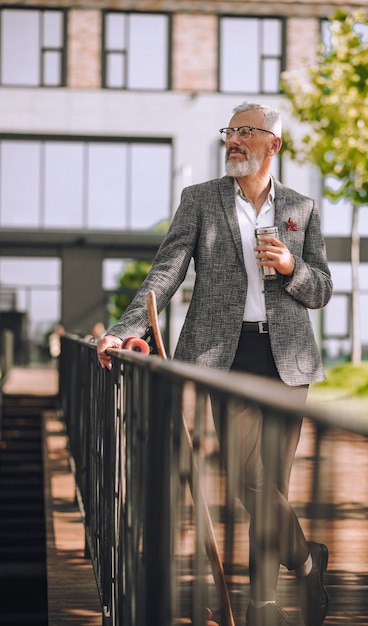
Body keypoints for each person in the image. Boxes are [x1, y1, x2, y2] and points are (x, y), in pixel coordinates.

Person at [97, 102, 333, 626]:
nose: (234, 140)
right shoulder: (199, 200)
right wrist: (123, 331)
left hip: (287, 359)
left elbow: (321, 289)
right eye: (230, 131)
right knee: (249, 478)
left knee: (272, 482)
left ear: (273, 144)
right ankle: (307, 559)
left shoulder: (302, 207)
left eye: (247, 131)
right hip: (223, 357)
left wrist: (292, 267)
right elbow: (166, 272)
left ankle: (262, 606)